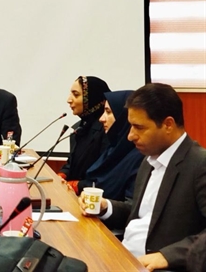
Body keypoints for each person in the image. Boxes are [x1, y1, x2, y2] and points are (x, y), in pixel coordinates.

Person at [78, 83, 206, 272]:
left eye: (139, 127)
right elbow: (144, 213)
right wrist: (106, 207)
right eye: (131, 126)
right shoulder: (149, 160)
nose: (130, 136)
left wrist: (168, 256)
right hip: (124, 257)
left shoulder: (199, 164)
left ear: (168, 124)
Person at [72, 90, 144, 200]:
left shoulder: (139, 157)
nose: (101, 119)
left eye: (108, 112)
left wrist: (104, 206)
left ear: (123, 117)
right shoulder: (114, 148)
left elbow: (130, 205)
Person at [59, 76, 110, 186]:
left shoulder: (107, 130)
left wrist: (76, 185)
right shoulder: (79, 128)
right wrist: (62, 175)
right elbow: (72, 164)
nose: (69, 100)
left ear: (92, 98)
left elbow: (105, 174)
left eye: (76, 95)